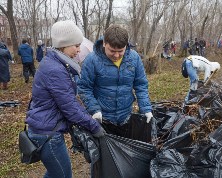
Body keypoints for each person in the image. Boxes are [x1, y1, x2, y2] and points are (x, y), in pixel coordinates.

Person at [25, 20, 105, 178]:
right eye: (76, 45)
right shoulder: (56, 70)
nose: (78, 49)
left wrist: (88, 117)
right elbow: (70, 109)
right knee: (63, 175)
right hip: (48, 134)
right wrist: (94, 127)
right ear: (63, 44)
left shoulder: (54, 63)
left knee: (55, 174)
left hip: (43, 128)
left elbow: (70, 101)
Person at [77, 24, 153, 125]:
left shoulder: (134, 58)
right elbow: (84, 88)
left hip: (126, 115)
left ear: (126, 45)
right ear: (104, 43)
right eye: (112, 51)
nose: (116, 55)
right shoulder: (92, 60)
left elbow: (141, 85)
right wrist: (94, 109)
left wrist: (146, 108)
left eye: (120, 51)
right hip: (102, 117)